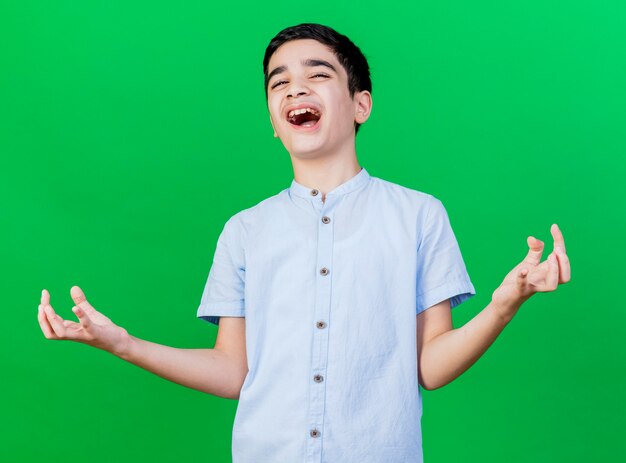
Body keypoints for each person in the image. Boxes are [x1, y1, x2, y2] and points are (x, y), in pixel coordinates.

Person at [37, 23, 571, 463]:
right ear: (274, 121)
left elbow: (429, 366)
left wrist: (506, 304)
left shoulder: (419, 216)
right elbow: (232, 371)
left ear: (360, 105)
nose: (295, 89)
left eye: (318, 75)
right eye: (279, 83)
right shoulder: (244, 231)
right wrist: (122, 343)